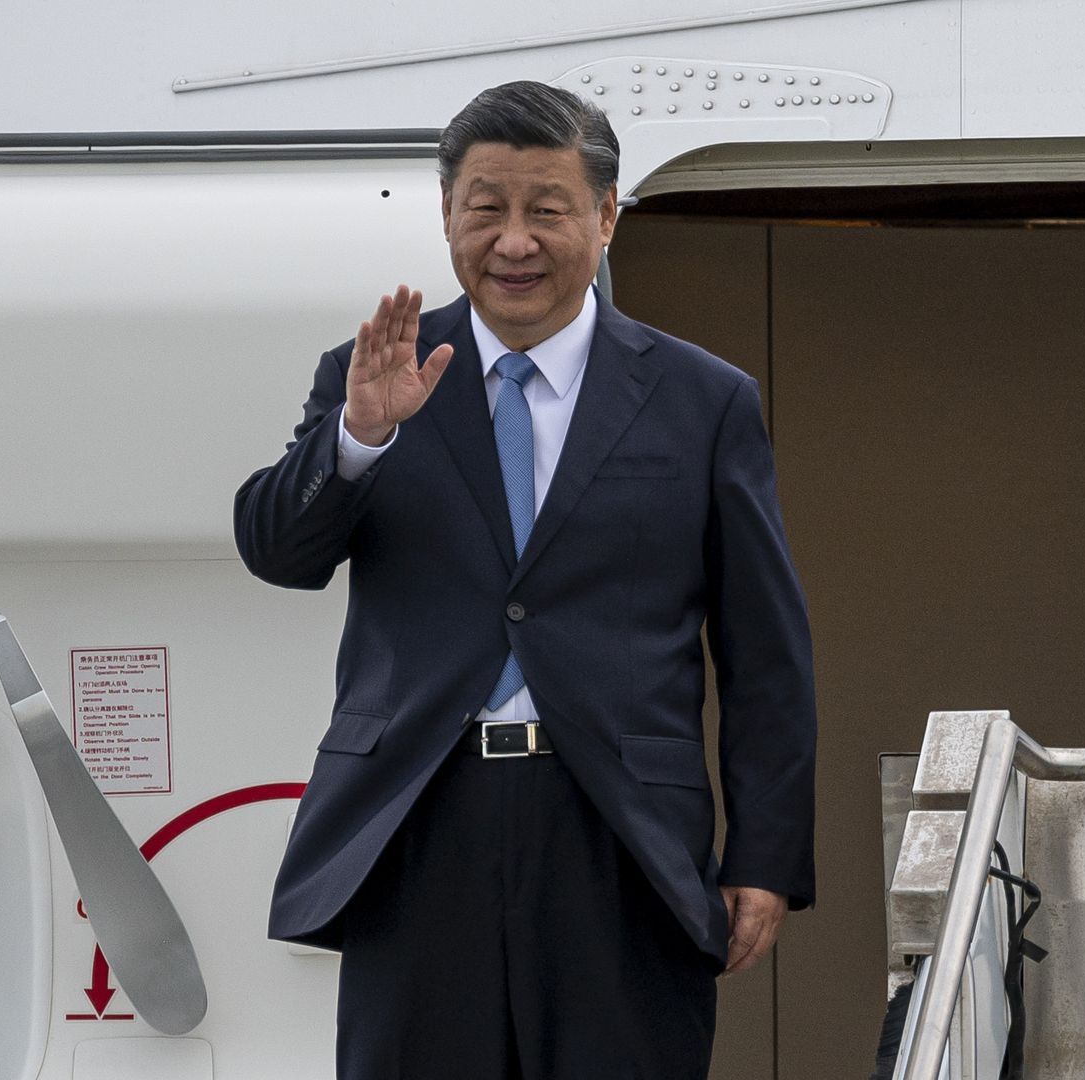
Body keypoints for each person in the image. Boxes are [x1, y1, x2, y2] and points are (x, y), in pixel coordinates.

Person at [233, 80, 817, 1079]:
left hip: (620, 832)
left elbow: (765, 652)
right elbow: (278, 553)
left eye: (545, 209)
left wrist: (764, 857)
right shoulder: (374, 373)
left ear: (604, 216)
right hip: (421, 819)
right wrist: (361, 438)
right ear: (448, 217)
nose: (513, 241)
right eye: (485, 209)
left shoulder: (702, 399)